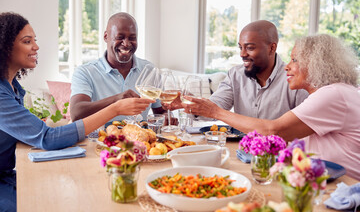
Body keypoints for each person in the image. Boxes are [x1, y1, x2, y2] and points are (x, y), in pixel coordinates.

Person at [0, 12, 154, 211]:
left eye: (34, 40)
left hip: (9, 175)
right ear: (5, 47)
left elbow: (35, 133)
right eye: (27, 41)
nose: (36, 47)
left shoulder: (13, 88)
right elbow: (48, 138)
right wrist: (115, 108)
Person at [183, 34, 360, 180]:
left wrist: (215, 112)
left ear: (317, 64)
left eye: (294, 60)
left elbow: (274, 130)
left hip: (344, 185)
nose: (287, 66)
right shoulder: (334, 92)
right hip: (321, 179)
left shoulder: (332, 95)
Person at [167, 20, 308, 119]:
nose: (242, 54)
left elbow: (301, 126)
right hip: (240, 150)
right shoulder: (235, 75)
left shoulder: (294, 79)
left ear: (272, 48)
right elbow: (216, 106)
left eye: (250, 48)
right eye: (241, 47)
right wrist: (191, 102)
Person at [70, 12, 167, 124]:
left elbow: (160, 111)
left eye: (132, 38)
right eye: (119, 37)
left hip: (139, 139)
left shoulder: (149, 70)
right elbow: (76, 113)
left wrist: (166, 119)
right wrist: (116, 100)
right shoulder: (85, 72)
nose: (126, 44)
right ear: (106, 36)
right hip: (100, 140)